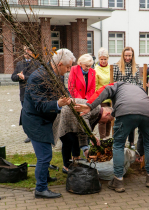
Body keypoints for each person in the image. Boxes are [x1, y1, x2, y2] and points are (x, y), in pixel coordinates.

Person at [74, 82, 149, 193]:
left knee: (118, 144)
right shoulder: (140, 89)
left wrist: (90, 105)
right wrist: (139, 152)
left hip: (126, 110)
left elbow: (103, 91)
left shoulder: (117, 85)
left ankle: (118, 181)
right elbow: (142, 133)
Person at [22, 49, 75, 199]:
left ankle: (44, 178)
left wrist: (70, 99)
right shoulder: (38, 77)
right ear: (59, 64)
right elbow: (39, 105)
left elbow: (62, 90)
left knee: (45, 153)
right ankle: (40, 189)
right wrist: (58, 104)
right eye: (68, 67)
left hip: (43, 119)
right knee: (45, 155)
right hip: (34, 120)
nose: (69, 70)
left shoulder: (55, 73)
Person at [53, 98, 114, 173]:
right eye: (107, 121)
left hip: (72, 119)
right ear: (107, 114)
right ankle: (66, 166)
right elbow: (83, 119)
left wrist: (85, 148)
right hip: (65, 115)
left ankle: (76, 158)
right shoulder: (96, 108)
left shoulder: (96, 116)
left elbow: (83, 131)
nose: (105, 123)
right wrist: (91, 135)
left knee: (75, 138)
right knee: (68, 140)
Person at [113, 47, 143, 148]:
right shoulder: (116, 67)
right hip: (121, 96)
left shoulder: (136, 67)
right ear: (123, 55)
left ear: (132, 56)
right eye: (126, 55)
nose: (127, 57)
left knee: (132, 119)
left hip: (132, 96)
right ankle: (120, 141)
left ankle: (131, 142)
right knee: (121, 120)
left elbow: (138, 82)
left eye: (129, 55)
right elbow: (113, 82)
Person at [11, 46, 40, 143]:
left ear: (32, 52)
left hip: (35, 93)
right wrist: (19, 76)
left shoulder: (37, 63)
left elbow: (39, 77)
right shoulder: (19, 64)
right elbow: (13, 77)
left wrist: (25, 77)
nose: (26, 53)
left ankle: (36, 134)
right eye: (25, 51)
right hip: (24, 94)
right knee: (26, 115)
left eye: (28, 51)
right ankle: (29, 135)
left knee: (35, 114)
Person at [95, 48, 111, 139]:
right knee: (103, 119)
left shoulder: (111, 68)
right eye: (101, 59)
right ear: (99, 59)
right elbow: (95, 85)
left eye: (105, 59)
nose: (103, 61)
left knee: (109, 118)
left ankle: (108, 138)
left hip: (111, 97)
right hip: (102, 97)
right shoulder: (96, 69)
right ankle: (103, 138)